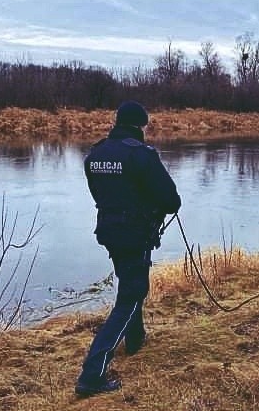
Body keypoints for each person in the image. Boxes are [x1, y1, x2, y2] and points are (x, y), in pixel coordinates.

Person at [75, 101, 181, 397]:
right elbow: (171, 201)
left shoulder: (95, 153)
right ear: (140, 125)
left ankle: (135, 339)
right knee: (132, 297)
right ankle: (92, 374)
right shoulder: (142, 155)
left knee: (130, 284)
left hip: (110, 231)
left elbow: (100, 194)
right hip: (135, 233)